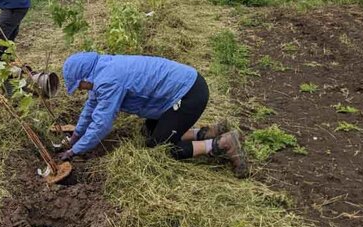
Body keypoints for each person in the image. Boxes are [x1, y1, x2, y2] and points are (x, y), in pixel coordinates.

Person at [57, 52, 249, 178]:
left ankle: (222, 144)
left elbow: (102, 124)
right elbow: (91, 108)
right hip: (181, 90)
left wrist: (75, 151)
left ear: (84, 77)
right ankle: (208, 132)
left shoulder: (108, 80)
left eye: (79, 86)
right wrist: (74, 137)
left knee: (161, 147)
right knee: (149, 131)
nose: (81, 90)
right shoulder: (102, 68)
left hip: (188, 94)